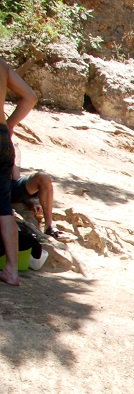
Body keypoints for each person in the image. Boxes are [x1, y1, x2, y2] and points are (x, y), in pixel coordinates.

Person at [1, 59, 37, 286]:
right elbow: (30, 97)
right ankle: (12, 271)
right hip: (3, 138)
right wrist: (10, 124)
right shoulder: (2, 65)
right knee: (3, 208)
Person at [11, 142, 60, 237]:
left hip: (9, 187)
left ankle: (49, 225)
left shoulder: (5, 143)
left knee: (43, 177)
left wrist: (29, 199)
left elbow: (15, 178)